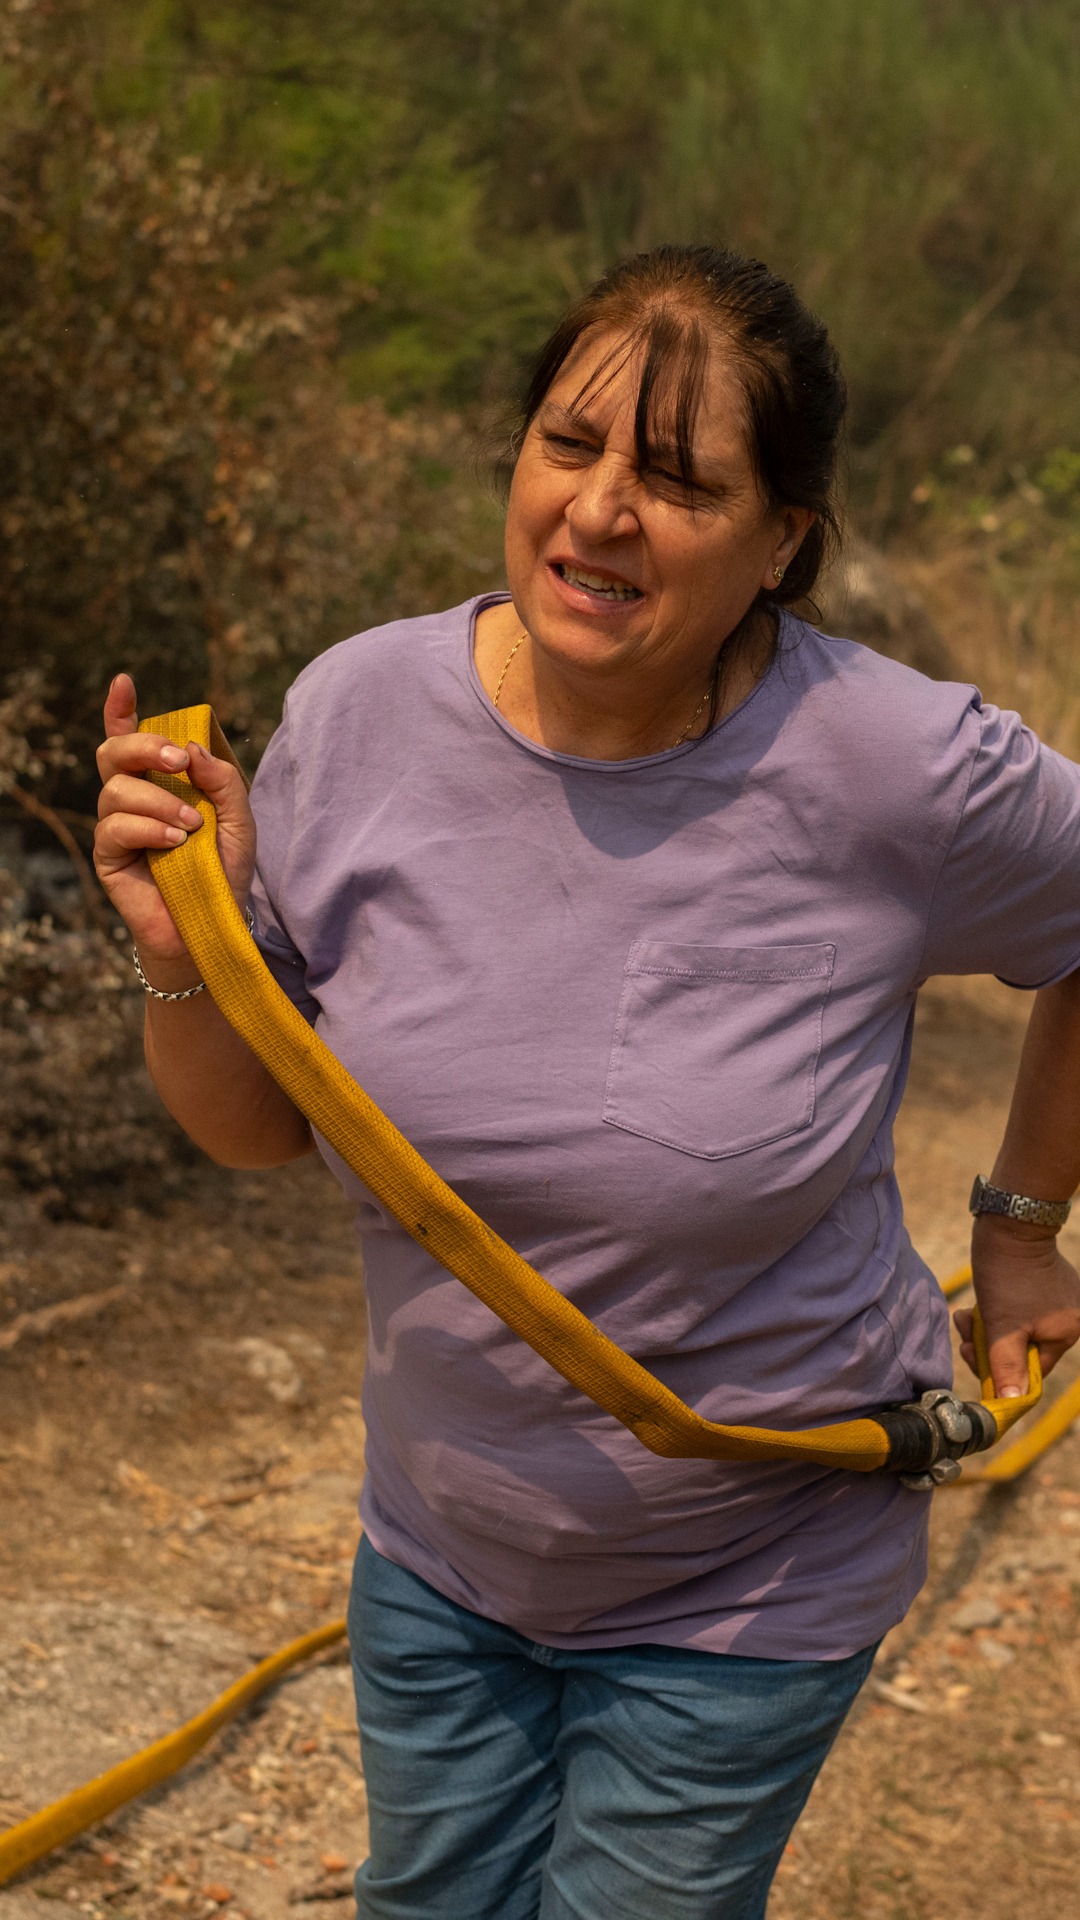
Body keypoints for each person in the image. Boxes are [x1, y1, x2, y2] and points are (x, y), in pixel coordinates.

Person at [94, 245, 1080, 1920]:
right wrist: (183, 944)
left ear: (782, 540)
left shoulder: (896, 766)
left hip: (751, 1580)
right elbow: (259, 1130)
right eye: (569, 444)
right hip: (438, 1559)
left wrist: (1021, 1222)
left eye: (679, 481)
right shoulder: (357, 714)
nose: (601, 510)